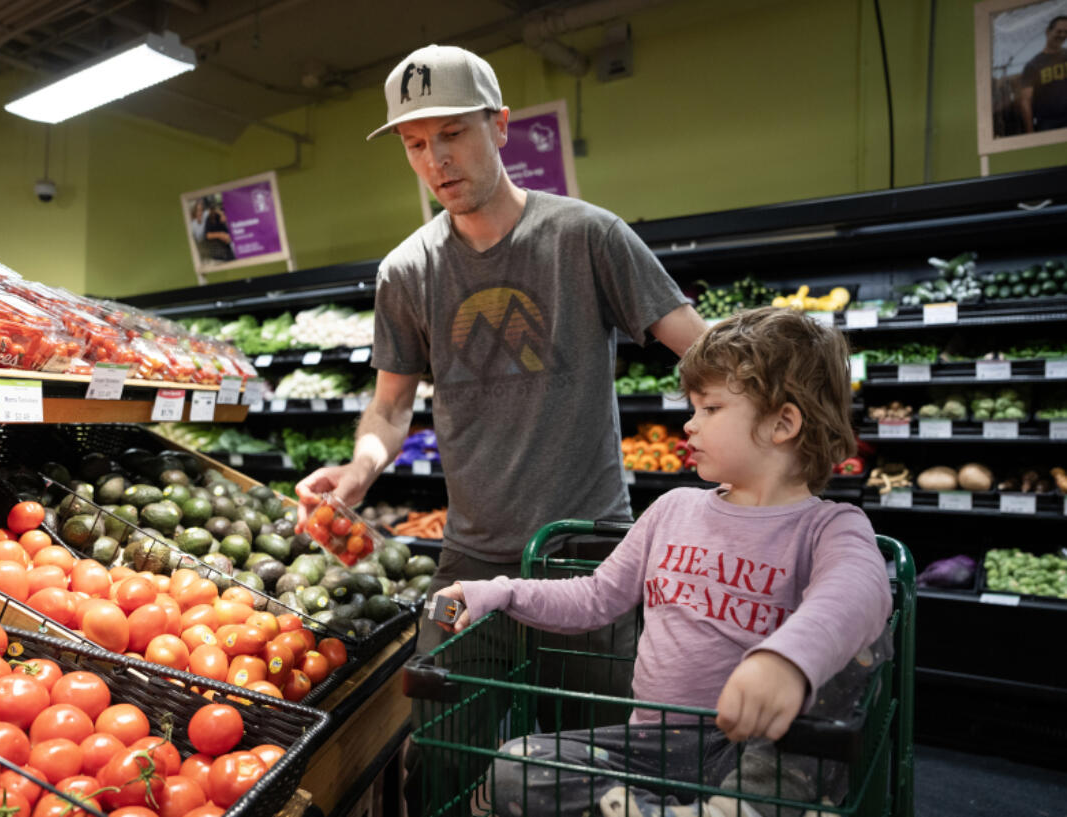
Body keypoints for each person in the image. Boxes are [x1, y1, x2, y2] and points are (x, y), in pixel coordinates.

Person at [294, 43, 706, 659]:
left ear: (501, 125)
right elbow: (389, 406)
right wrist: (360, 470)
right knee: (442, 742)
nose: (436, 160)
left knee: (596, 748)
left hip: (586, 548)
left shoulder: (588, 236)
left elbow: (705, 351)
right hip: (472, 552)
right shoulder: (407, 270)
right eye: (414, 144)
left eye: (453, 133)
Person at [434, 307, 893, 817]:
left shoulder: (828, 527)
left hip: (763, 752)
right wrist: (502, 591)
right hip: (657, 748)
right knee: (515, 762)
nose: (689, 424)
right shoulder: (674, 509)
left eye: (711, 408)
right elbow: (595, 596)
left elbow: (860, 587)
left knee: (863, 639)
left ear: (783, 422)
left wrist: (788, 660)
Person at [1020, 14, 1067, 133]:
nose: (1062, 35)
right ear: (1048, 31)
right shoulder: (1033, 65)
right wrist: (1030, 132)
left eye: (1066, 32)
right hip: (1048, 124)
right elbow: (1025, 100)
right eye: (1059, 31)